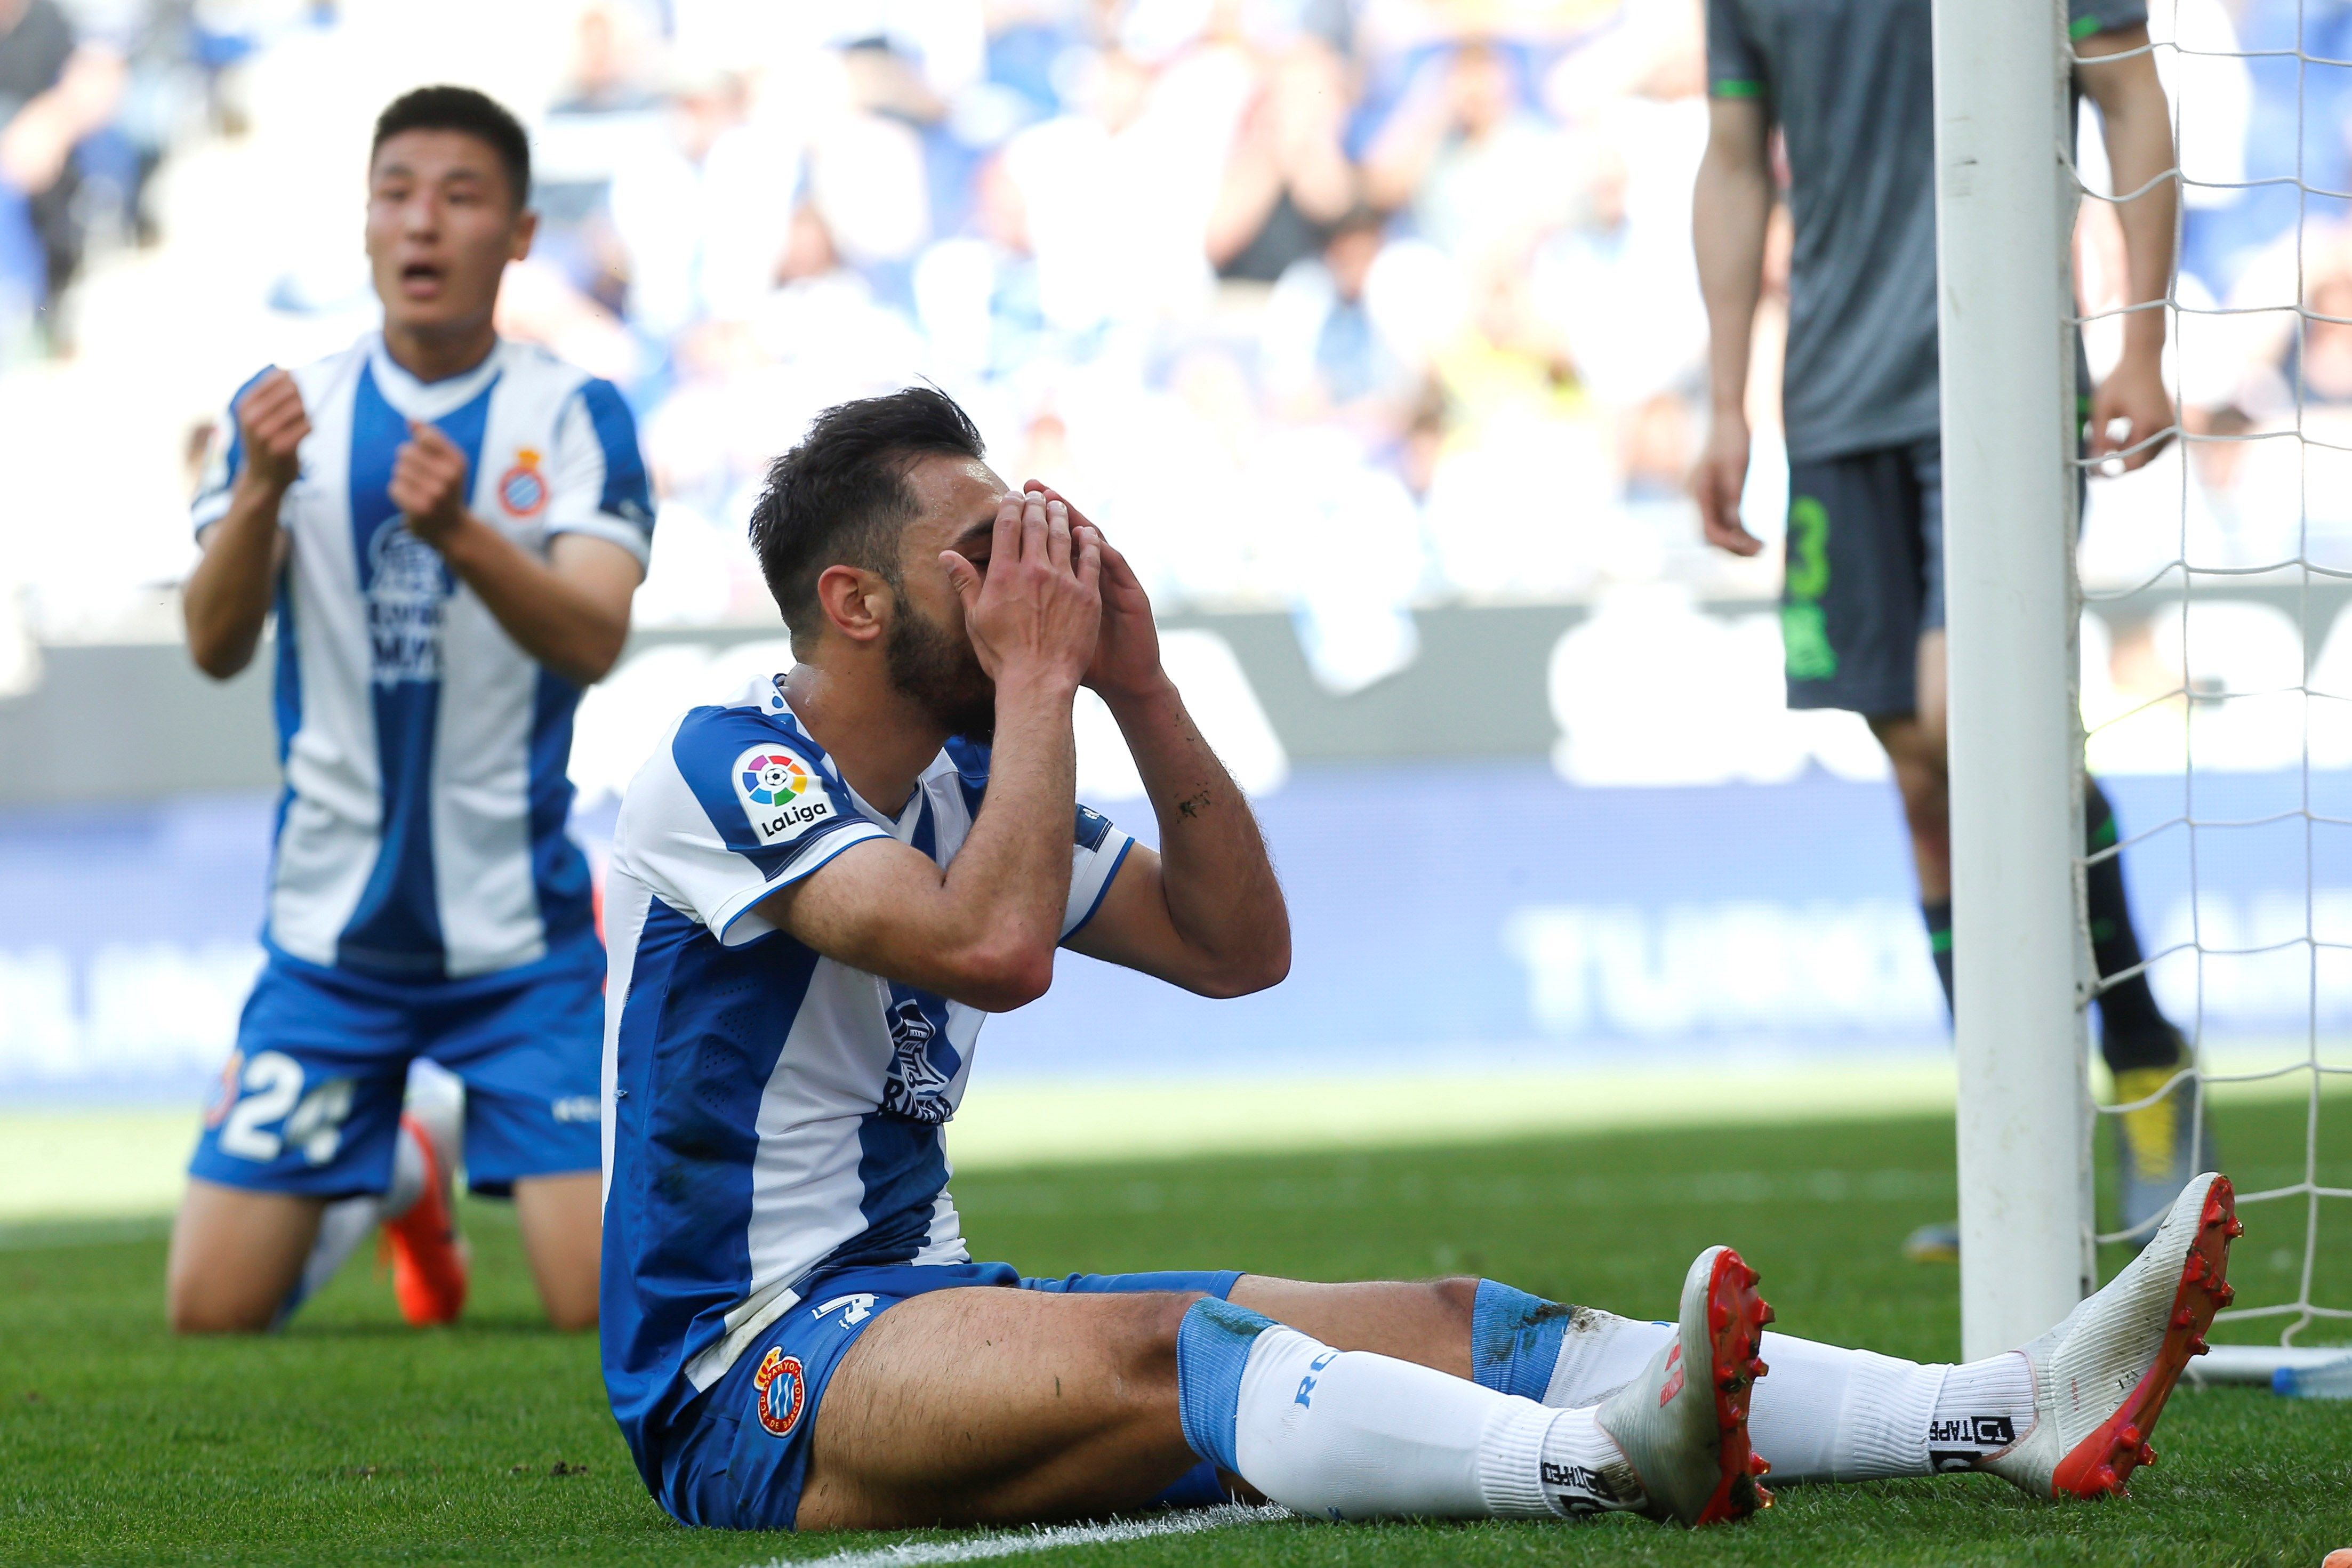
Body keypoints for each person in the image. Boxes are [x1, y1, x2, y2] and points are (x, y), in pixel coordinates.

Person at [597, 384, 2238, 1532]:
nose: (1032, 566)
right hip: (750, 1361)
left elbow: (1238, 946)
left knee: (1460, 1312)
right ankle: (1595, 1464)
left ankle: (1993, 1406)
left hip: (920, 1305)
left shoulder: (974, 771)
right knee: (1184, 1352)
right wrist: (1042, 684)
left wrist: (1141, 690)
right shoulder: (722, 760)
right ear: (854, 602)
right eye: (979, 549)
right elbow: (994, 947)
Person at [1688, 0, 2205, 1252]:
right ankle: (2013, 1149)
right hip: (1832, 400)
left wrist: (2140, 341)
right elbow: (1734, 155)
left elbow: (2126, 88)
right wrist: (1724, 399)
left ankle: (2144, 1069)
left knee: (1972, 734)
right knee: (1924, 777)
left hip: (2003, 375)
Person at [168, 85, 653, 1334]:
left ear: (520, 233)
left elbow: (591, 637)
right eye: (398, 193)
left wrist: (460, 533)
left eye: (460, 194)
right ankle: (400, 1168)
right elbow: (216, 646)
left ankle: (421, 1140)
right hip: (328, 948)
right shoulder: (283, 414)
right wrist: (265, 489)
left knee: (594, 1312)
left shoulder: (578, 414)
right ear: (367, 225)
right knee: (211, 1315)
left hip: (520, 946)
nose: (422, 222)